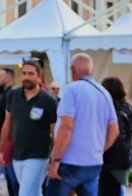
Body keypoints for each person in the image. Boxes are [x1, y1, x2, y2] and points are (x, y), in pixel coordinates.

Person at [47, 53, 120, 196]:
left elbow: (66, 127)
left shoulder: (71, 89)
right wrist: (100, 149)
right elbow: (114, 130)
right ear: (91, 70)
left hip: (69, 161)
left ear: (72, 70)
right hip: (93, 162)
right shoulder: (104, 93)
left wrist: (55, 160)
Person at [0, 59, 58, 196]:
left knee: (25, 193)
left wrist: (54, 158)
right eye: (24, 73)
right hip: (17, 154)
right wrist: (0, 151)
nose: (26, 77)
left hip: (38, 155)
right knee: (34, 192)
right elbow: (7, 124)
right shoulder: (13, 95)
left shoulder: (48, 100)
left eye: (31, 74)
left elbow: (55, 131)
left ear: (39, 77)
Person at [99, 77, 132, 196]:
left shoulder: (117, 112)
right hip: (123, 158)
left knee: (110, 189)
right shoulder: (127, 107)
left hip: (113, 161)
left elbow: (117, 138)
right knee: (117, 188)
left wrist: (102, 150)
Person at [0, 67, 19, 196]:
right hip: (2, 137)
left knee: (13, 179)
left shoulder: (12, 94)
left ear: (9, 77)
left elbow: (9, 121)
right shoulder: (4, 94)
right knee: (10, 178)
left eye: (0, 75)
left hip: (9, 140)